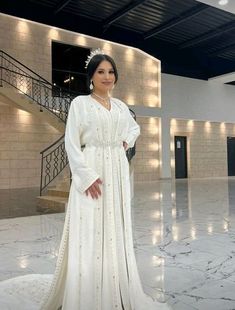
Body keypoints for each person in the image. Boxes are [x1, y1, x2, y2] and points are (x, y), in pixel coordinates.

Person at [0, 49, 171, 310]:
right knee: (91, 228)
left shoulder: (121, 106)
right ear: (91, 76)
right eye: (101, 71)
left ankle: (115, 287)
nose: (107, 76)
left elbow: (135, 128)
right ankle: (89, 290)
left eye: (111, 71)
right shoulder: (80, 104)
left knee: (115, 226)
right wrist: (86, 176)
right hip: (92, 170)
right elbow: (71, 143)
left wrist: (127, 140)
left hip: (117, 171)